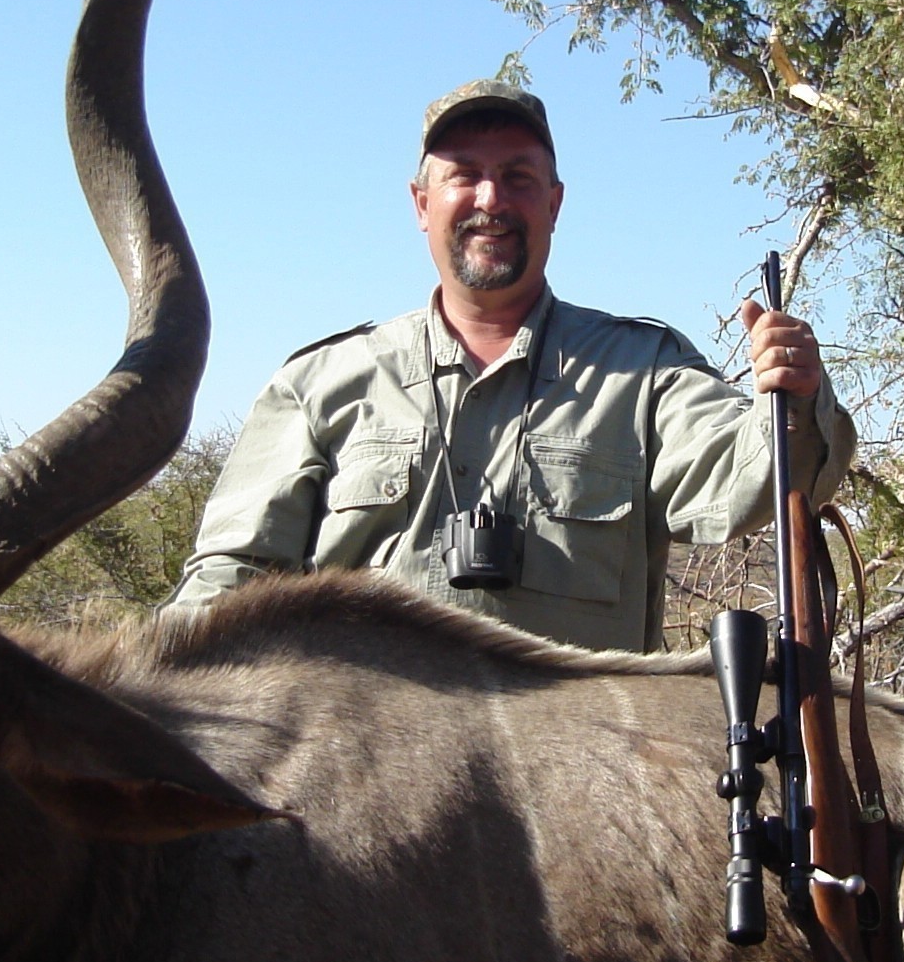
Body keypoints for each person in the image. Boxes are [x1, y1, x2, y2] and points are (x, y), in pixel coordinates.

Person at [169, 79, 852, 651]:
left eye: (518, 177)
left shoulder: (644, 371)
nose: (491, 199)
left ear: (553, 203)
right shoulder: (319, 385)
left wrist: (790, 398)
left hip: (582, 782)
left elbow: (755, 477)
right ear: (421, 204)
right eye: (464, 175)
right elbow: (228, 584)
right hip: (360, 785)